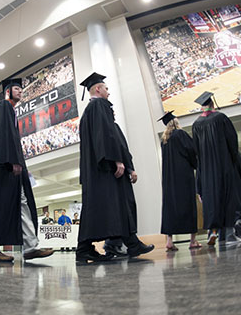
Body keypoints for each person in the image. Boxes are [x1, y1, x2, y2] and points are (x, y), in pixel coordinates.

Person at [76, 72, 154, 262]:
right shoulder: (99, 106)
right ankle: (85, 248)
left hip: (96, 169)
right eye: (106, 88)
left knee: (105, 206)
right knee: (113, 204)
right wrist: (116, 160)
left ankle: (128, 245)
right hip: (105, 168)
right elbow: (105, 135)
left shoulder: (89, 111)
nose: (108, 92)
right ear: (97, 89)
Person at [0, 78, 54, 262]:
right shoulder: (3, 107)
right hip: (2, 167)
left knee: (21, 201)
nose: (20, 91)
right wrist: (12, 160)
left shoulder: (10, 111)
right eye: (16, 88)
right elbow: (3, 134)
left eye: (21, 89)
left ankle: (30, 246)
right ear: (7, 91)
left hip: (10, 166)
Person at [191, 91, 240, 245]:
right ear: (212, 104)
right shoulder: (221, 118)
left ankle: (212, 232)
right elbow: (233, 141)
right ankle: (229, 235)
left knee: (211, 199)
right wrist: (232, 160)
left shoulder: (196, 124)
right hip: (223, 164)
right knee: (227, 197)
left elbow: (196, 151)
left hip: (206, 170)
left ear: (202, 107)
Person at [158, 111, 200, 251]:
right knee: (189, 206)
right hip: (183, 177)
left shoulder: (164, 140)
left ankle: (169, 241)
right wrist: (196, 165)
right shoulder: (180, 134)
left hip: (169, 180)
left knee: (170, 208)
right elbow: (192, 151)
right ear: (175, 122)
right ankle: (193, 240)